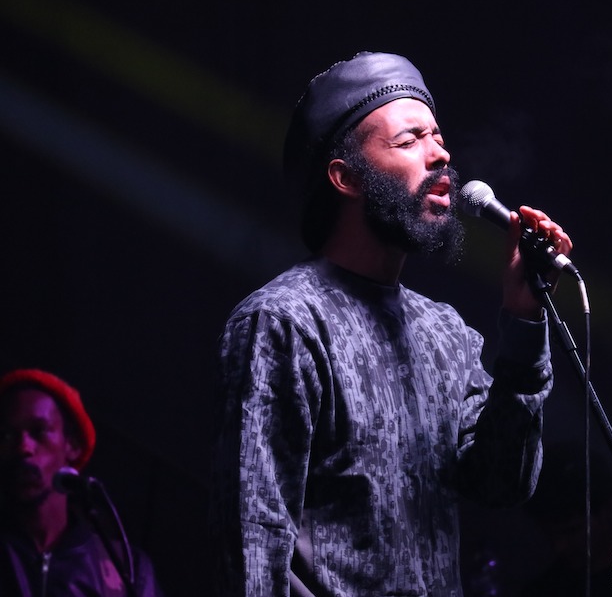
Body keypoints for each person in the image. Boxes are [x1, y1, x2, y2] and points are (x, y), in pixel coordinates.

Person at [211, 51, 573, 597]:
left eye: (438, 137)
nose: (441, 155)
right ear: (346, 177)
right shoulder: (283, 323)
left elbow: (501, 483)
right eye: (410, 141)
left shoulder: (445, 333)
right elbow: (255, 544)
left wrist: (524, 319)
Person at [0, 368, 164, 597]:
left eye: (39, 431)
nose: (23, 447)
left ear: (73, 445)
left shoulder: (126, 568)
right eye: (6, 435)